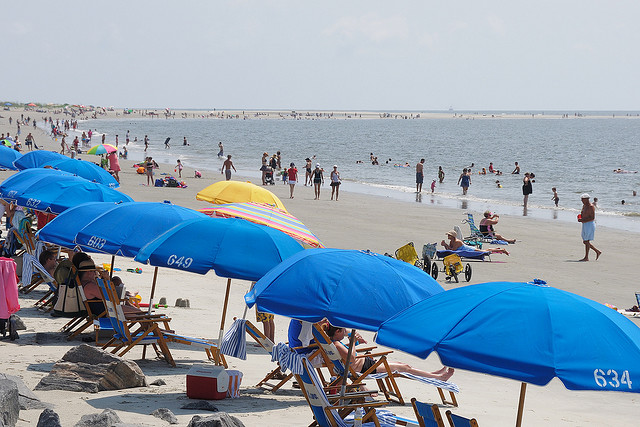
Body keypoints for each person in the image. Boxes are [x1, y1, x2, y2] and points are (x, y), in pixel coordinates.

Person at [324, 324, 454, 380]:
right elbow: (351, 358)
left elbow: (346, 348)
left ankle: (432, 374)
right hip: (366, 368)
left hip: (367, 364)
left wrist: (353, 338)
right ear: (337, 332)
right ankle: (438, 378)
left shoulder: (333, 342)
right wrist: (352, 341)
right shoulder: (337, 344)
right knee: (404, 368)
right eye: (342, 330)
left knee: (402, 364)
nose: (345, 332)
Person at [441, 230, 510, 255]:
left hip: (469, 249)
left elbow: (453, 251)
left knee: (484, 251)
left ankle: (502, 250)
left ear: (453, 236)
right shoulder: (451, 242)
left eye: (449, 235)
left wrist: (445, 245)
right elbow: (449, 250)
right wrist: (445, 245)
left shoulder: (457, 242)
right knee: (485, 250)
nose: (448, 236)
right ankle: (497, 249)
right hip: (466, 249)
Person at [578, 194, 601, 261]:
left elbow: (592, 218)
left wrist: (583, 220)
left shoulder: (591, 206)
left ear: (587, 199)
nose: (582, 201)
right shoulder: (584, 206)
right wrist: (580, 217)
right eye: (581, 200)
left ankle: (587, 257)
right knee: (585, 241)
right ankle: (597, 251)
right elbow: (583, 214)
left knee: (586, 241)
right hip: (585, 223)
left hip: (589, 224)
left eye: (583, 200)